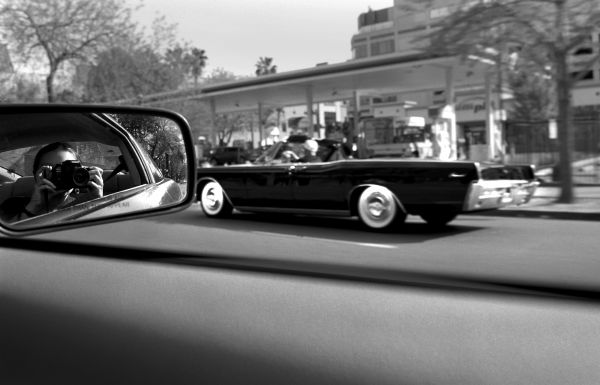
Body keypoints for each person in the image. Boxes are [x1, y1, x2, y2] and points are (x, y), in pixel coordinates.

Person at [0, 142, 104, 223]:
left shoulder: (86, 204)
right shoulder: (13, 205)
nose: (59, 174)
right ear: (36, 175)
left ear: (80, 172)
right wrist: (33, 206)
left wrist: (98, 203)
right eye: (50, 169)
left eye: (67, 169)